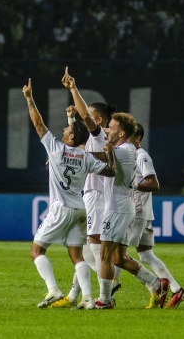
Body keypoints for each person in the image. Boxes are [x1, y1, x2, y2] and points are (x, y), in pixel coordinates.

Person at [57, 68, 168, 309]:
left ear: (122, 132)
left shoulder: (126, 151)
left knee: (104, 254)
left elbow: (95, 142)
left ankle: (104, 299)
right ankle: (155, 284)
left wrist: (72, 154)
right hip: (115, 206)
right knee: (116, 256)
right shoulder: (116, 146)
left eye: (112, 126)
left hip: (116, 207)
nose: (108, 128)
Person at [22, 77, 116, 310]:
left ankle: (53, 289)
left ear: (71, 138)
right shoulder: (86, 156)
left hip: (60, 208)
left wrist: (30, 99)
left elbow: (38, 124)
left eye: (66, 130)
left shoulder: (55, 148)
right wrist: (111, 152)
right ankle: (87, 298)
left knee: (37, 251)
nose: (63, 131)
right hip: (80, 208)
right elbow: (111, 172)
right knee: (77, 256)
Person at [50, 72, 118, 309]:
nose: (84, 116)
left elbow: (83, 122)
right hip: (95, 196)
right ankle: (73, 295)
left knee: (92, 249)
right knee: (85, 248)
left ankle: (109, 288)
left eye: (89, 114)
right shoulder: (95, 140)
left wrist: (73, 88)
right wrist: (69, 122)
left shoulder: (100, 136)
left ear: (98, 120)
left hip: (97, 197)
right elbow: (75, 145)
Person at [122, 123, 184, 308]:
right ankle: (177, 289)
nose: (126, 139)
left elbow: (154, 183)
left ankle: (109, 294)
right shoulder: (129, 155)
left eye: (130, 136)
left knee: (118, 254)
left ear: (138, 138)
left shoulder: (141, 156)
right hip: (142, 212)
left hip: (137, 212)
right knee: (146, 255)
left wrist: (131, 185)